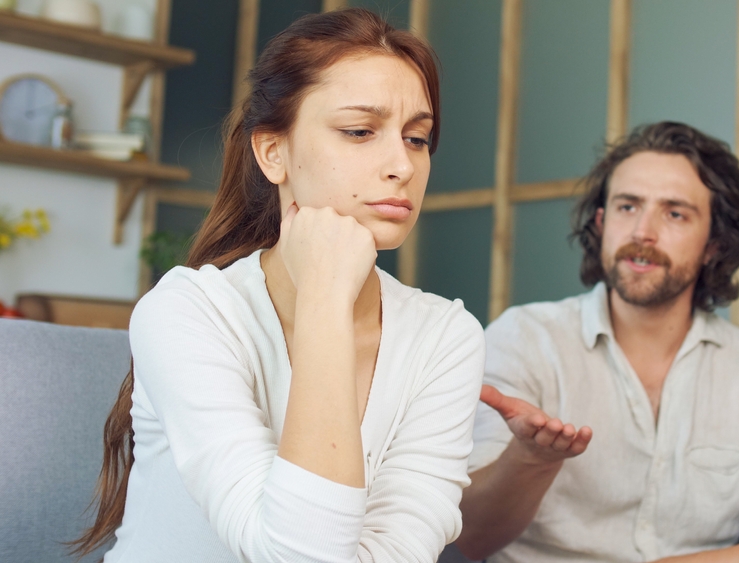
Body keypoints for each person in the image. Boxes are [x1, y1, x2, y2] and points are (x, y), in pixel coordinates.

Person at [70, 9, 484, 563]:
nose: (401, 165)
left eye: (417, 138)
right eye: (359, 131)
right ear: (272, 152)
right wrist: (326, 302)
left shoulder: (446, 335)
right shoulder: (187, 312)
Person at [456, 122, 739, 563]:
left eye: (675, 213)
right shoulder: (524, 339)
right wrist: (529, 460)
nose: (643, 232)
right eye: (627, 206)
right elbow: (467, 540)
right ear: (601, 223)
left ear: (714, 242)